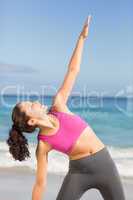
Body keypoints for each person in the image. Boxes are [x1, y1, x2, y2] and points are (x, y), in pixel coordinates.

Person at [6, 15, 125, 200]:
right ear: (31, 120)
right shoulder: (43, 144)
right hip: (78, 174)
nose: (35, 101)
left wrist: (82, 38)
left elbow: (73, 70)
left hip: (105, 165)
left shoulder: (59, 105)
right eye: (30, 104)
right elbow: (40, 183)